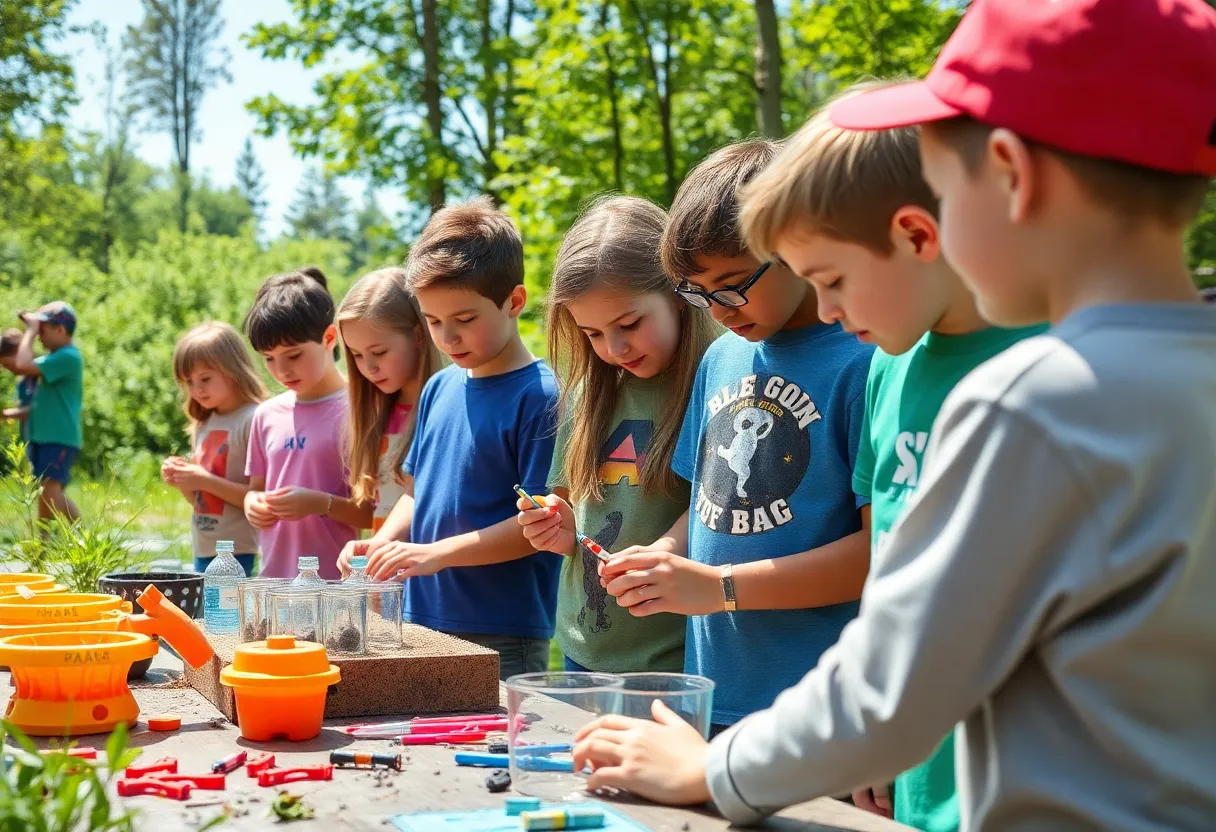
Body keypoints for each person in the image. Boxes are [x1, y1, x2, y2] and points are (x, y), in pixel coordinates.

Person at [572, 1, 1216, 829]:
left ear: (1012, 176)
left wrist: (711, 767)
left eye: (941, 189)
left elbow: (896, 685)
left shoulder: (1034, 402)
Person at [735, 88, 1045, 830]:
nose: (829, 312)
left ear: (914, 233)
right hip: (916, 783)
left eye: (832, 280)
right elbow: (890, 566)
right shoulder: (886, 366)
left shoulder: (1049, 364)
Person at [596, 140, 874, 731]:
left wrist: (718, 587)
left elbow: (877, 554)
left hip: (817, 704)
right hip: (714, 693)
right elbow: (708, 509)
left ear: (795, 245)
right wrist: (666, 555)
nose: (718, 309)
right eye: (697, 293)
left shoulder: (863, 360)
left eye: (733, 283)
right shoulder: (721, 358)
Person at [348, 198, 561, 680]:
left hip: (502, 630)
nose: (448, 337)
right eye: (433, 321)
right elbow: (416, 491)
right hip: (422, 617)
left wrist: (434, 554)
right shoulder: (439, 386)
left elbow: (536, 529)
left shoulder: (541, 396)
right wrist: (380, 542)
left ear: (515, 302)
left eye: (464, 320)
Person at [515, 196, 719, 673]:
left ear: (678, 294)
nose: (615, 348)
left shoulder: (716, 380)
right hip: (583, 649)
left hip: (675, 659)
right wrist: (554, 529)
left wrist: (666, 550)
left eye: (629, 324)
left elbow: (720, 513)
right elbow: (570, 513)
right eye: (593, 333)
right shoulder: (587, 392)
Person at [243, 268, 372, 579]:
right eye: (269, 358)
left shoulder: (359, 411)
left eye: (294, 355)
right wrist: (252, 504)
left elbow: (370, 514)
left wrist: (320, 503)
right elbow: (254, 489)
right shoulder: (266, 415)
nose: (282, 370)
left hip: (333, 588)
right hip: (272, 582)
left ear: (329, 338)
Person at [335, 267, 446, 545]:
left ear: (419, 336)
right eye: (357, 355)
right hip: (383, 579)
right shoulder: (371, 416)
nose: (368, 367)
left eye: (379, 352)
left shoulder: (445, 409)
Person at [162, 321, 268, 575]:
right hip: (204, 545)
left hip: (240, 549)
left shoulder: (254, 418)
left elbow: (259, 498)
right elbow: (199, 500)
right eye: (188, 382)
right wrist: (184, 480)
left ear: (233, 370)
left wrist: (203, 479)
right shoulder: (203, 423)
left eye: (205, 378)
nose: (197, 389)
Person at [12, 302, 83, 524]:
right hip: (46, 436)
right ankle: (60, 543)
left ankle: (61, 543)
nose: (39, 336)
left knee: (51, 489)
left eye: (43, 330)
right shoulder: (55, 358)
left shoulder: (68, 357)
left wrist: (30, 331)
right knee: (48, 490)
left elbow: (21, 364)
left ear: (60, 330)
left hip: (58, 436)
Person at [0, 329, 36, 439]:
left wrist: (6, 414)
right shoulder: (23, 380)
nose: (7, 369)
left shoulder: (41, 375)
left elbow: (44, 409)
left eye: (8, 365)